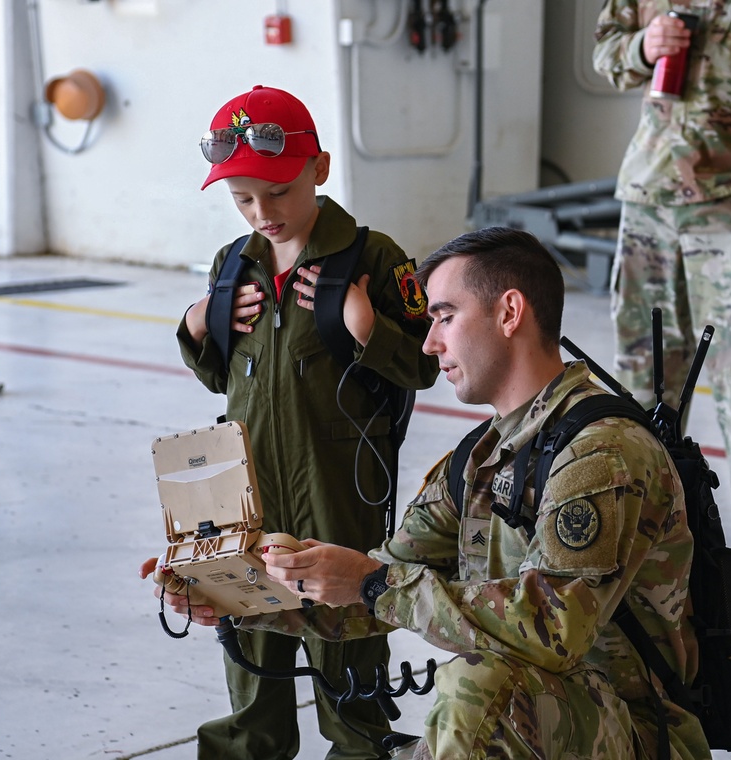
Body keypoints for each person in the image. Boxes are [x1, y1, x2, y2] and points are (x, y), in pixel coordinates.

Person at [148, 227, 710, 759]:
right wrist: (235, 594)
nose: (429, 341)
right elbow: (375, 588)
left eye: (444, 316)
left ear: (509, 313)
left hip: (632, 730)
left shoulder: (599, 454)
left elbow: (554, 631)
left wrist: (372, 583)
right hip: (536, 714)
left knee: (478, 684)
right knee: (475, 690)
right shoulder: (481, 458)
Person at [173, 84, 440, 759]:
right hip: (247, 487)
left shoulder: (374, 259)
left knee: (347, 637)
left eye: (277, 192)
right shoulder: (235, 264)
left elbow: (422, 368)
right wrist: (197, 326)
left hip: (338, 488)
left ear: (318, 171)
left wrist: (366, 325)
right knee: (248, 637)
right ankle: (248, 746)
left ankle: (360, 746)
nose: (262, 213)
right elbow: (222, 378)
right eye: (243, 200)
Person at [592, 3, 731, 602]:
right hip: (651, 195)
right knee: (644, 371)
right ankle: (646, 524)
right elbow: (607, 51)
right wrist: (642, 46)